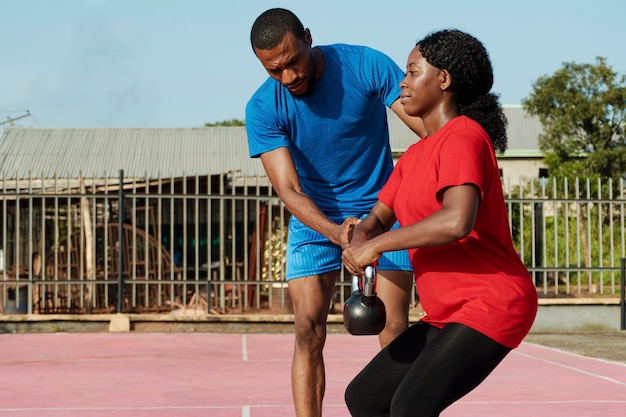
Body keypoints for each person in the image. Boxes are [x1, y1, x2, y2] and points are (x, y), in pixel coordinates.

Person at [341, 29, 538, 417]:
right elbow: (377, 218)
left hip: (492, 302)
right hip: (446, 312)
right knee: (364, 398)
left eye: (413, 72)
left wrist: (376, 246)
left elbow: (456, 220)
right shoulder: (415, 155)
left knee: (411, 406)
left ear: (443, 80)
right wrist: (359, 237)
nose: (402, 81)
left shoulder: (464, 137)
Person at [245, 8, 426, 417]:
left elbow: (427, 128)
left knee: (394, 327)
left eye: (294, 61)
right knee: (307, 328)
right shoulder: (262, 108)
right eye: (275, 70)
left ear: (308, 36)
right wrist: (335, 232)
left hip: (385, 211)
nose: (289, 77)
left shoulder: (364, 66)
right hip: (315, 221)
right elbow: (288, 189)